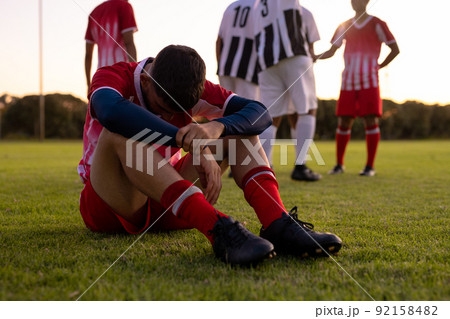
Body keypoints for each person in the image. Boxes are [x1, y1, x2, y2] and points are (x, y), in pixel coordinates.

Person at [77, 45, 342, 266]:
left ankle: (277, 223)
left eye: (178, 111)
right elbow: (109, 111)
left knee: (238, 130)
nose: (170, 115)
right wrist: (192, 144)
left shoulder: (195, 87)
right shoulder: (113, 75)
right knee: (117, 132)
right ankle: (217, 228)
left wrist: (216, 127)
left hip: (168, 202)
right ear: (145, 81)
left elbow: (259, 113)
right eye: (163, 107)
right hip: (113, 205)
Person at [315, 0, 399, 176]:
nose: (355, 2)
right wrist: (314, 56)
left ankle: (369, 166)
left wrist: (380, 65)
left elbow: (394, 49)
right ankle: (339, 165)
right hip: (348, 81)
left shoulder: (377, 23)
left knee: (370, 120)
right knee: (344, 120)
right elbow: (332, 51)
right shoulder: (344, 25)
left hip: (370, 81)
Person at [255, 1, 322, 182]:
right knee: (307, 110)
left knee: (270, 117)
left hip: (266, 62)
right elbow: (310, 47)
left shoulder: (258, 7)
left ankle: (263, 167)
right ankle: (300, 166)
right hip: (294, 55)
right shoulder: (303, 12)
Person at [84, 0, 138, 90]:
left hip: (100, 77)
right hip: (121, 75)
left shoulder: (94, 13)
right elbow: (129, 43)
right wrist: (135, 75)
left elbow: (88, 56)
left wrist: (88, 85)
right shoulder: (124, 6)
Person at [216, 0, 260, 101]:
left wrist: (220, 64)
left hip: (225, 67)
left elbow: (219, 40)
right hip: (248, 69)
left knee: (226, 110)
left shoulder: (231, 7)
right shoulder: (260, 6)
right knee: (249, 112)